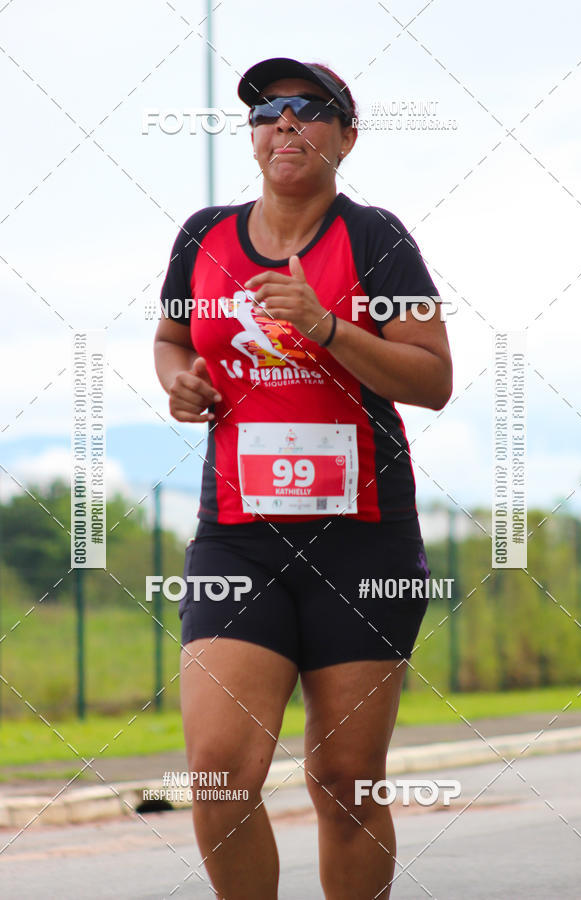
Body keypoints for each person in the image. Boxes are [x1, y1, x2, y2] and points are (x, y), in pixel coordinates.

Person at [154, 56, 452, 900]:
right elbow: (173, 338)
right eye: (266, 110)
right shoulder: (203, 236)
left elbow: (433, 379)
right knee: (219, 774)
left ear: (346, 138)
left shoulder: (378, 239)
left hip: (363, 540)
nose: (284, 121)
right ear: (253, 137)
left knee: (346, 781)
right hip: (239, 537)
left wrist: (327, 328)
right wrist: (179, 383)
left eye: (310, 108)